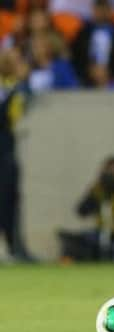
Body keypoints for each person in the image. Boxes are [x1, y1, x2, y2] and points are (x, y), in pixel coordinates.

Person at [0, 48, 35, 263]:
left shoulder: (16, 88)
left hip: (5, 150)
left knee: (8, 200)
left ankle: (12, 247)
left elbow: (18, 111)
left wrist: (22, 82)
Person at [70, 0, 114, 88]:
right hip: (86, 80)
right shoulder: (83, 34)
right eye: (98, 10)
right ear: (93, 11)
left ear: (110, 11)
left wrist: (110, 72)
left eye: (104, 10)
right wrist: (89, 70)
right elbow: (75, 58)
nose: (101, 13)